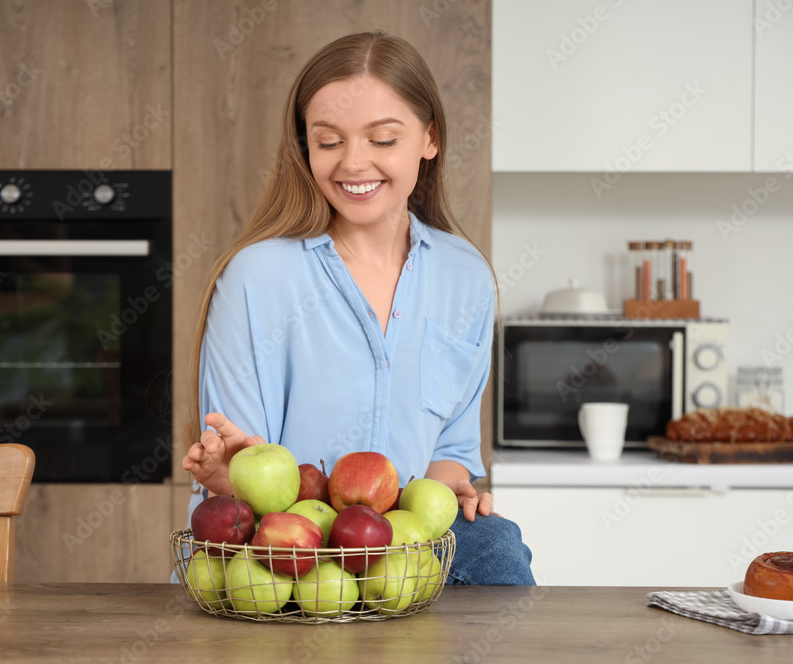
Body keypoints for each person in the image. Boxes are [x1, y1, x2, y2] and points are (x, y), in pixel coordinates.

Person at [180, 31, 534, 586]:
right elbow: (245, 477)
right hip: (287, 550)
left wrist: (448, 495)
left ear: (429, 138)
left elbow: (451, 449)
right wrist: (227, 480)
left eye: (383, 139)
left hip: (406, 553)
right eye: (328, 142)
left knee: (496, 550)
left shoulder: (466, 276)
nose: (354, 163)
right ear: (305, 148)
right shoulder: (258, 277)